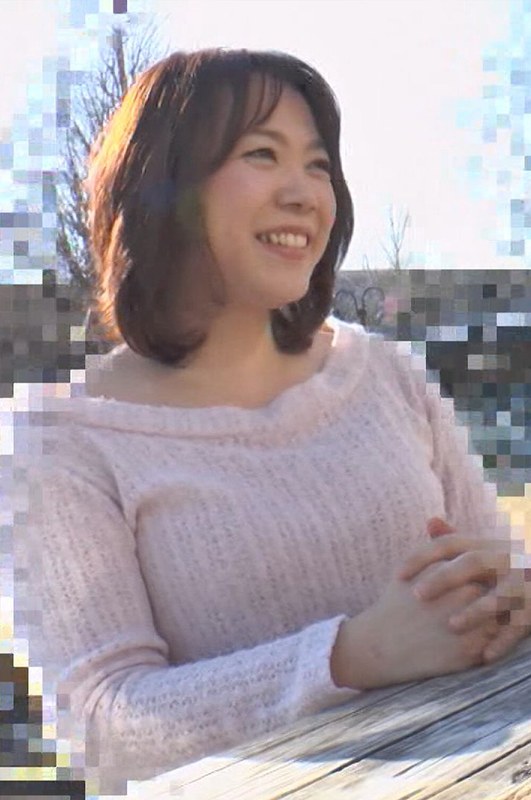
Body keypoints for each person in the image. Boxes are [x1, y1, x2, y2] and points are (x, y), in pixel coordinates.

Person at [22, 47, 530, 794]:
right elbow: (102, 728)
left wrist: (508, 594)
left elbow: (499, 580)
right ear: (164, 186)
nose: (305, 194)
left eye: (318, 165)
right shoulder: (60, 441)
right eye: (262, 154)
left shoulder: (383, 374)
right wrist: (350, 656)